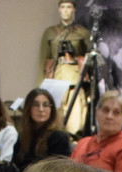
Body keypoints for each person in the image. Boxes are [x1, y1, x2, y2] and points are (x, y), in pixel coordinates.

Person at [40, 0, 92, 134]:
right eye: (63, 7)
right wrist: (42, 85)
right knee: (55, 118)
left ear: (74, 10)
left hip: (75, 79)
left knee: (76, 117)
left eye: (69, 7)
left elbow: (90, 60)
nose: (66, 10)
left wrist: (90, 89)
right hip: (56, 79)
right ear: (59, 9)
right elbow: (44, 59)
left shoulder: (82, 33)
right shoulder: (50, 32)